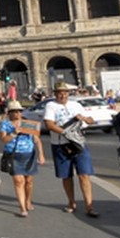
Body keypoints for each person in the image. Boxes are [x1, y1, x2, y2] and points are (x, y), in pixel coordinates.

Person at [43, 81, 99, 218]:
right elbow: (49, 124)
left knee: (84, 174)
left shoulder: (76, 105)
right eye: (59, 92)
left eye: (65, 92)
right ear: (55, 94)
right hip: (61, 144)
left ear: (68, 93)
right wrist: (65, 133)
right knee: (66, 176)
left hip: (78, 144)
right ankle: (71, 202)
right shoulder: (51, 106)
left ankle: (89, 206)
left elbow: (91, 120)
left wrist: (85, 118)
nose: (62, 95)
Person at [0, 100, 45, 217]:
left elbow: (36, 139)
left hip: (29, 154)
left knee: (29, 181)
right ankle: (22, 208)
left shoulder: (27, 124)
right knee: (19, 181)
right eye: (13, 112)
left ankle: (28, 200)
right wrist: (14, 133)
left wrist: (41, 154)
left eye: (19, 111)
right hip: (13, 155)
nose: (16, 114)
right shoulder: (5, 124)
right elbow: (4, 140)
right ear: (9, 113)